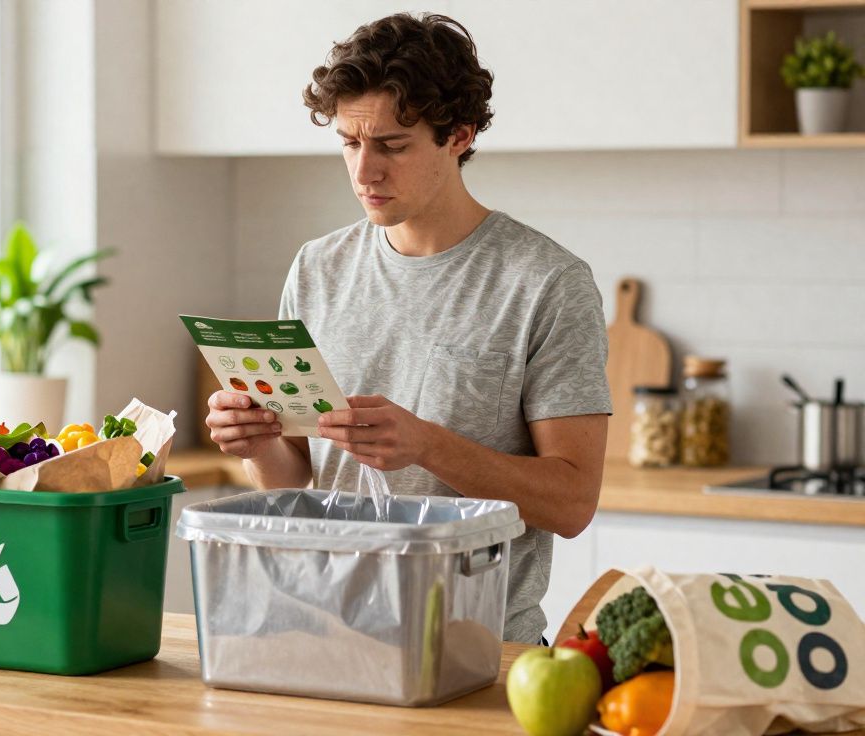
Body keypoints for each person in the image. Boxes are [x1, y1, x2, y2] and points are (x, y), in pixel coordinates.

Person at [204, 12, 611, 644]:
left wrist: (427, 445)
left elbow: (572, 502)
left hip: (479, 649)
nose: (364, 172)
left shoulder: (547, 283)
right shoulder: (318, 268)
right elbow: (301, 481)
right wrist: (257, 443)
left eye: (392, 146)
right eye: (348, 142)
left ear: (459, 135)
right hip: (325, 635)